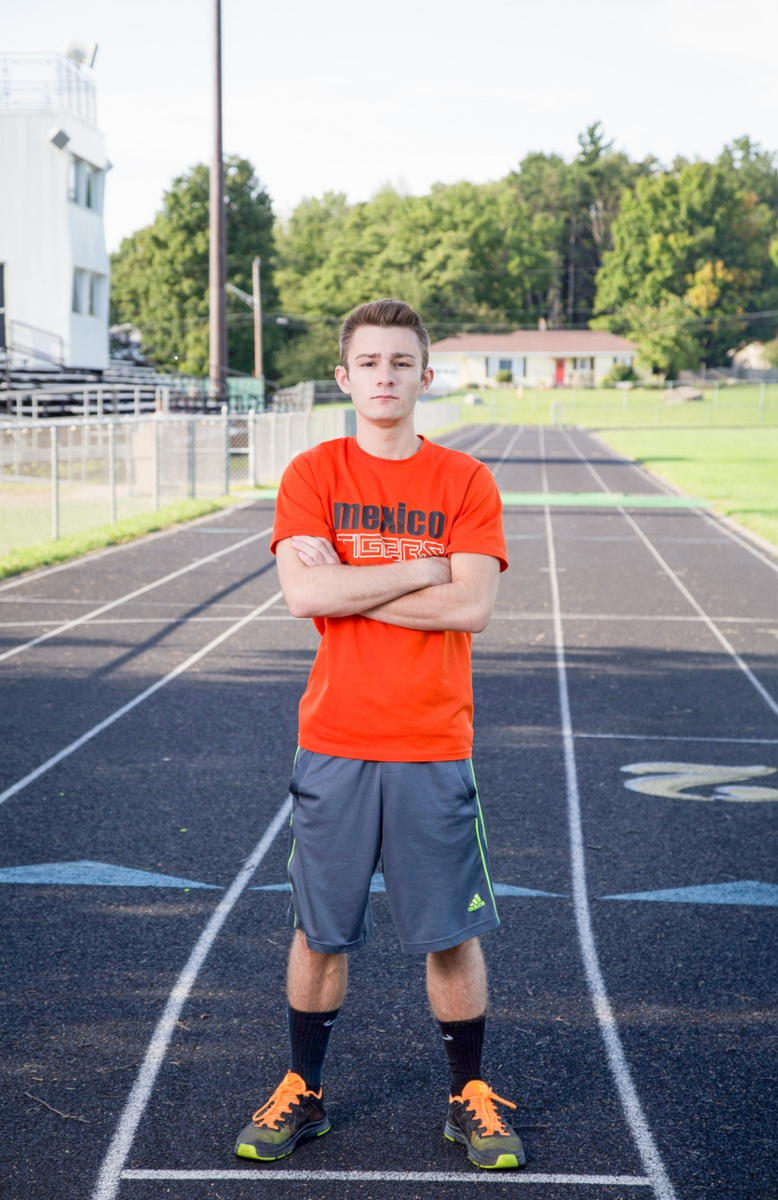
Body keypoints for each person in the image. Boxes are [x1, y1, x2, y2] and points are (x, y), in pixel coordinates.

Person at [235, 298, 523, 1170]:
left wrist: (357, 574)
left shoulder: (465, 482)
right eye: (370, 363)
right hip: (336, 737)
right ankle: (305, 1092)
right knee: (320, 932)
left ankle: (467, 1096)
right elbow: (303, 597)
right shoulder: (313, 473)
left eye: (403, 362)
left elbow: (471, 606)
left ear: (425, 375)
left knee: (447, 933)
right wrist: (420, 566)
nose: (386, 376)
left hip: (434, 741)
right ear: (345, 376)